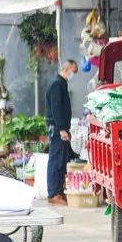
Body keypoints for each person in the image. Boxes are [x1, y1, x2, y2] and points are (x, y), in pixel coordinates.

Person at [45, 60, 77, 205]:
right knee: (56, 160)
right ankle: (53, 193)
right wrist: (62, 129)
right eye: (73, 71)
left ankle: (59, 191)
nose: (73, 75)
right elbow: (56, 109)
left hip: (61, 129)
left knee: (61, 160)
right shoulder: (57, 85)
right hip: (58, 129)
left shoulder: (61, 84)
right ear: (66, 69)